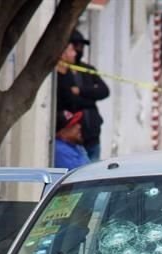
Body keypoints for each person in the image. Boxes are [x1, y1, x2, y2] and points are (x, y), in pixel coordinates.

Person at [68, 29, 110, 162]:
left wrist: (81, 91)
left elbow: (103, 91)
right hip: (72, 135)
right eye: (77, 46)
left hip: (92, 133)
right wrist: (90, 95)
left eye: (81, 47)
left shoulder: (87, 70)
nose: (79, 50)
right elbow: (69, 98)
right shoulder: (63, 71)